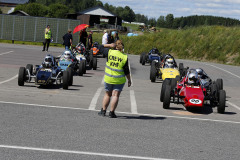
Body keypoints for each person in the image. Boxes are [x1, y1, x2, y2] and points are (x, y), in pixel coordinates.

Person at [98, 40, 132, 118]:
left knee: (107, 94)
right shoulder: (124, 57)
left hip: (109, 78)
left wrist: (109, 45)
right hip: (119, 80)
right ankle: (112, 112)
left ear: (115, 46)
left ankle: (103, 111)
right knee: (115, 95)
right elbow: (126, 70)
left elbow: (99, 47)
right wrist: (129, 80)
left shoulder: (109, 52)